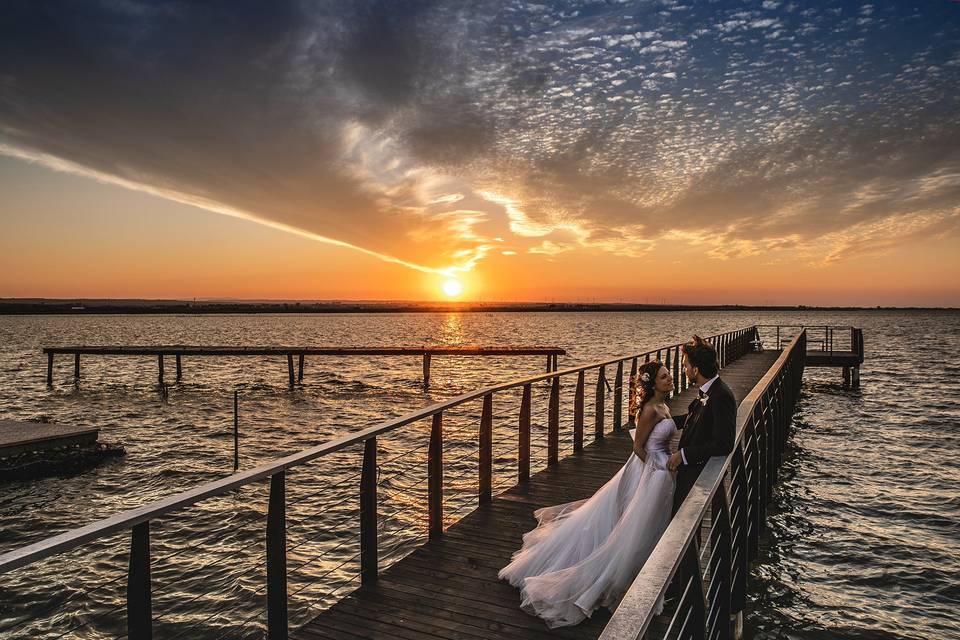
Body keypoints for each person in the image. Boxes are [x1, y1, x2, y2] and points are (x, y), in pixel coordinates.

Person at [498, 360, 677, 628]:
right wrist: (653, 471)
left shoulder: (664, 405)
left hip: (663, 471)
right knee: (631, 526)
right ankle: (618, 580)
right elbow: (638, 447)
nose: (670, 379)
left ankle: (644, 577)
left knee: (646, 527)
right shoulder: (651, 410)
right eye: (664, 377)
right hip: (649, 472)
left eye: (670, 375)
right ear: (653, 383)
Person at [667, 335, 737, 515]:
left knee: (683, 523)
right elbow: (694, 417)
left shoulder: (721, 396)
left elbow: (724, 444)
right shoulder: (709, 390)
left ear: (696, 369)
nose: (684, 370)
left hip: (698, 477)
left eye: (685, 366)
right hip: (690, 473)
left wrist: (683, 455)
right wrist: (663, 422)